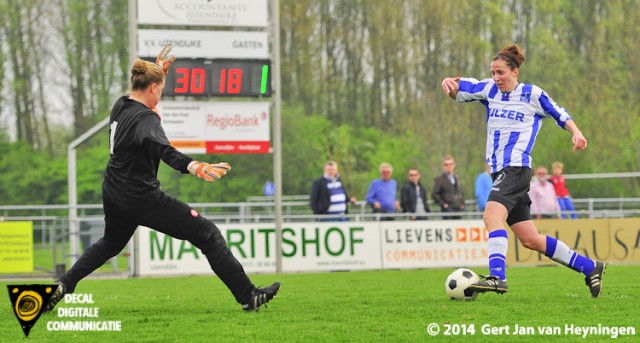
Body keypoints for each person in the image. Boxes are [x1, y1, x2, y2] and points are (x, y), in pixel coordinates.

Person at [45, 57, 280, 313]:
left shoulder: (121, 105)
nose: (161, 94)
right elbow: (164, 149)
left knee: (110, 244)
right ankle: (249, 296)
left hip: (113, 190)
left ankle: (62, 285)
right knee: (208, 234)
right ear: (153, 88)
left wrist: (159, 71)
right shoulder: (148, 120)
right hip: (141, 198)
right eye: (161, 88)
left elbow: (145, 110)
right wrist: (195, 166)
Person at [441, 44, 605, 297]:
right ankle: (590, 266)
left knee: (491, 217)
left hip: (516, 168)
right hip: (500, 172)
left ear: (515, 72)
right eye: (493, 72)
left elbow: (559, 113)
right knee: (530, 239)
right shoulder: (489, 89)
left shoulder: (532, 94)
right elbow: (461, 90)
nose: (496, 78)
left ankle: (497, 276)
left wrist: (577, 132)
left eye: (501, 73)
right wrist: (449, 85)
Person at [431, 155, 465, 219]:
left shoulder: (457, 178)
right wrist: (443, 204)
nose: (449, 166)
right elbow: (434, 194)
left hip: (458, 209)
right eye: (446, 165)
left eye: (451, 164)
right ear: (443, 166)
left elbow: (461, 191)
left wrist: (462, 203)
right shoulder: (440, 179)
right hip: (448, 210)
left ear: (454, 165)